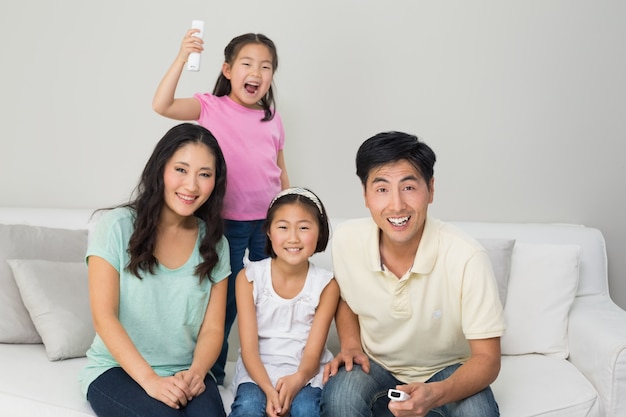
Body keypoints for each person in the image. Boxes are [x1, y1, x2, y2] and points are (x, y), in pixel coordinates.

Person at [320, 131, 505, 417]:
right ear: (365, 195)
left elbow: (488, 359)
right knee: (341, 398)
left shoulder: (467, 256)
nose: (396, 205)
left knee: (478, 413)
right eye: (382, 189)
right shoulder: (346, 240)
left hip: (448, 373)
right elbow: (345, 298)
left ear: (431, 189)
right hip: (377, 368)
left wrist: (435, 394)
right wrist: (351, 344)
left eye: (408, 187)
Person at [153, 30, 289, 385]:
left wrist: (287, 211)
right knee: (223, 298)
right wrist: (183, 56)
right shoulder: (210, 106)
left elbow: (278, 168)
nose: (256, 73)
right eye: (247, 64)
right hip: (225, 223)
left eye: (266, 66)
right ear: (227, 69)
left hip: (267, 224)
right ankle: (211, 370)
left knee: (267, 296)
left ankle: (267, 367)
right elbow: (162, 105)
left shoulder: (272, 116)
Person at [79, 123, 230, 417]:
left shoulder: (215, 243)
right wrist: (150, 381)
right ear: (160, 169)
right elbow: (104, 318)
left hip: (187, 372)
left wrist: (197, 373)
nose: (191, 186)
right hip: (117, 369)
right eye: (181, 170)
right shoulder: (116, 226)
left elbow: (213, 329)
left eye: (205, 175)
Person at [229, 187, 339, 417]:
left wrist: (297, 380)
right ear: (268, 232)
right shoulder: (249, 278)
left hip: (305, 372)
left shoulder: (326, 285)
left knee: (307, 409)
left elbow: (312, 354)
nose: (293, 238)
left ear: (319, 233)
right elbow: (249, 349)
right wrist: (269, 390)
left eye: (304, 227)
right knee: (248, 408)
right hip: (257, 370)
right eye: (283, 227)